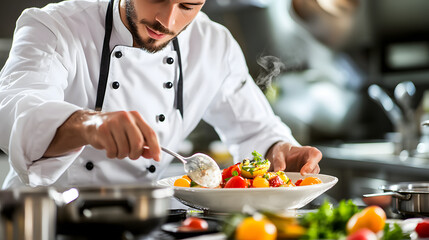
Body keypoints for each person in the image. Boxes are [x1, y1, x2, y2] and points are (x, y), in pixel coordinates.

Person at [0, 0, 322, 188]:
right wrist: (88, 124)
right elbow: (14, 110)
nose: (166, 22)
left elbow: (255, 129)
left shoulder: (213, 44)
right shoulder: (54, 26)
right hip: (48, 220)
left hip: (148, 220)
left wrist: (281, 152)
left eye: (187, 6)